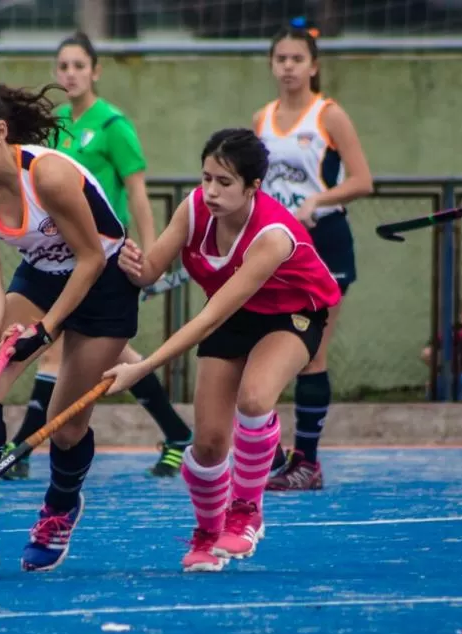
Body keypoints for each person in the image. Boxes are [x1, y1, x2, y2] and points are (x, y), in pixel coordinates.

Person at [0, 32, 194, 479]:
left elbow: (134, 194)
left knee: (67, 421)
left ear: (95, 71)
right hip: (45, 265)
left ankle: (56, 484)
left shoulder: (112, 127)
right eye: (63, 66)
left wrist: (153, 258)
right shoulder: (51, 126)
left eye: (79, 65)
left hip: (100, 267)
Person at [0, 72, 139, 572]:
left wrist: (46, 331)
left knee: (63, 429)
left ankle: (61, 507)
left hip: (103, 284)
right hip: (41, 278)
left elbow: (89, 259)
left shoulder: (48, 177)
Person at [103, 128, 341, 571]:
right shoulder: (193, 209)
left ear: (253, 187)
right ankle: (209, 531)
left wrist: (143, 367)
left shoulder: (271, 236)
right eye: (206, 177)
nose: (211, 190)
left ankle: (246, 512)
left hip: (291, 313)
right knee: (209, 444)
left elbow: (208, 318)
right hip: (234, 314)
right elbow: (151, 271)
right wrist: (133, 265)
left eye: (225, 182)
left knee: (254, 398)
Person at [251, 20, 373, 491]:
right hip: (278, 247)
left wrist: (317, 202)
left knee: (311, 353)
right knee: (263, 345)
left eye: (297, 59)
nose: (288, 66)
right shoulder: (261, 119)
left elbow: (363, 180)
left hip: (325, 243)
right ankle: (277, 451)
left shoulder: (329, 115)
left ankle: (308, 462)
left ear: (313, 65)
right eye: (280, 58)